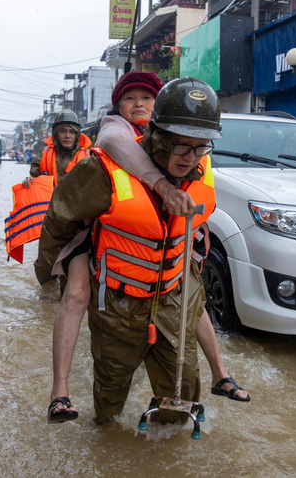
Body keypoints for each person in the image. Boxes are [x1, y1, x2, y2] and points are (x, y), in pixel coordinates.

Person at [41, 73, 249, 423]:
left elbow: (200, 216)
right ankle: (60, 390)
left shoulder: (201, 165)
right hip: (118, 305)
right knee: (107, 407)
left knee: (181, 404)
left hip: (171, 300)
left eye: (200, 147)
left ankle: (219, 375)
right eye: (181, 146)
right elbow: (58, 220)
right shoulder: (105, 163)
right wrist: (60, 264)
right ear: (158, 133)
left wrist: (196, 242)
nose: (190, 157)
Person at [22, 109, 91, 189]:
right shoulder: (43, 157)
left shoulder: (89, 158)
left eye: (72, 132)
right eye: (62, 131)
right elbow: (35, 182)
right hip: (50, 201)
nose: (67, 136)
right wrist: (29, 181)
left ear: (77, 135)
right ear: (55, 134)